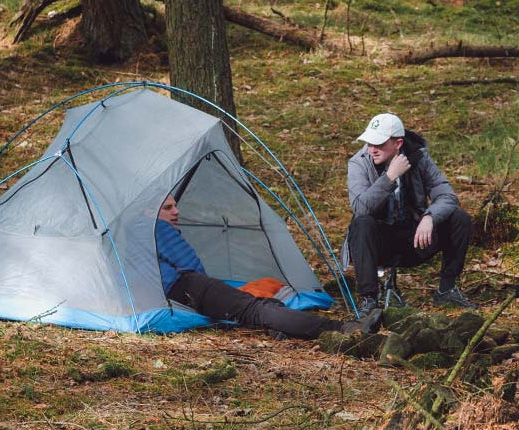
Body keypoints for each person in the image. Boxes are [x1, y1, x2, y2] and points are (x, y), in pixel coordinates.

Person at [155, 195, 382, 339]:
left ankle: (280, 326)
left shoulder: (133, 237)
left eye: (175, 206)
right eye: (168, 207)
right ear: (151, 212)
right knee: (257, 309)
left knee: (259, 307)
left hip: (175, 294)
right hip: (189, 287)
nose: (176, 212)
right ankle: (342, 328)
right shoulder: (159, 228)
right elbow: (192, 267)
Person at [346, 113, 475, 312]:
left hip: (414, 237)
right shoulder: (359, 162)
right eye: (370, 142)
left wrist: (430, 217)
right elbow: (360, 207)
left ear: (398, 143)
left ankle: (447, 290)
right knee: (361, 223)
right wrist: (390, 177)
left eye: (379, 144)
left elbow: (448, 196)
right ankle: (369, 299)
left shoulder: (419, 158)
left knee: (460, 219)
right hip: (378, 242)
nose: (372, 149)